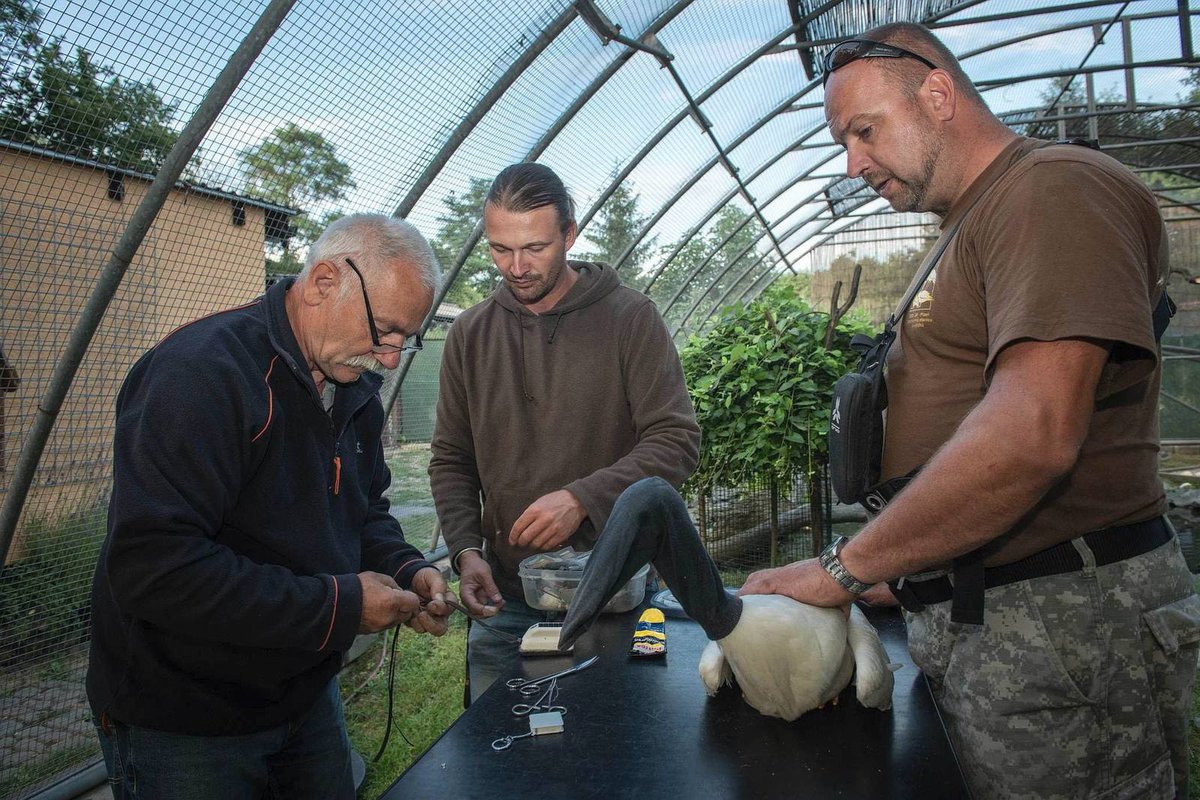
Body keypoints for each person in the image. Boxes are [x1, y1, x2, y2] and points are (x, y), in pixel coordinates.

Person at [741, 22, 1200, 800]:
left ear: (938, 94)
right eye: (842, 143)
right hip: (993, 611)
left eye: (863, 131)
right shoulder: (968, 226)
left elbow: (1031, 435)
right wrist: (908, 572)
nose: (852, 163)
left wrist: (843, 569)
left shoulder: (1052, 189)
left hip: (1059, 624)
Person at [87, 214, 454, 799]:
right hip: (188, 718)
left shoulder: (353, 389)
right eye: (384, 330)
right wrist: (342, 606)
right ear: (325, 282)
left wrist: (410, 568)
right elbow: (154, 570)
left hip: (304, 692)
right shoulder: (202, 374)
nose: (390, 359)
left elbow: (363, 513)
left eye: (403, 338)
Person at [429, 162, 700, 701]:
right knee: (501, 755)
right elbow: (451, 458)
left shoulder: (630, 319)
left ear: (570, 234)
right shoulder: (470, 334)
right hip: (506, 600)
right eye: (500, 249)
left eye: (535, 247)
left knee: (621, 743)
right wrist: (465, 551)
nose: (517, 267)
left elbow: (675, 440)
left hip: (616, 591)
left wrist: (582, 498)